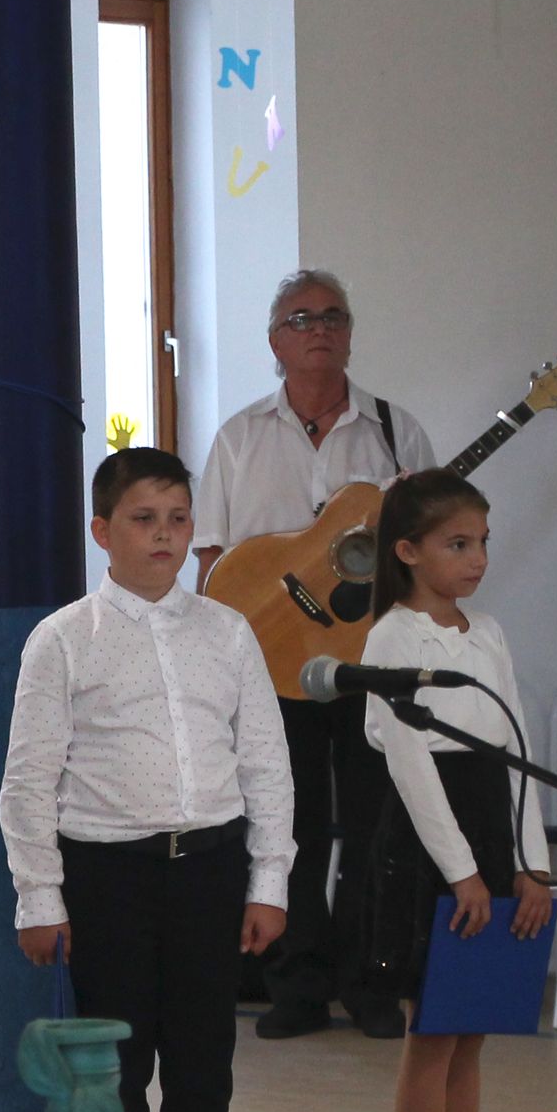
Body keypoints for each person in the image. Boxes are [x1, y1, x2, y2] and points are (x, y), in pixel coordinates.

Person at [1, 449, 293, 1112]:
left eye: (177, 519)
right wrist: (39, 897)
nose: (164, 535)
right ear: (102, 531)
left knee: (203, 1047)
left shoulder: (228, 632)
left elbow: (266, 764)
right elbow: (27, 781)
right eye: (143, 519)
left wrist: (269, 882)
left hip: (209, 866)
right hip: (107, 872)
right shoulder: (64, 638)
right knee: (114, 1052)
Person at [193, 268, 438, 1042]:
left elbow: (430, 553)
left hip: (368, 659)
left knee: (375, 825)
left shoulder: (396, 432)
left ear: (351, 335)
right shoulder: (238, 438)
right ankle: (296, 984)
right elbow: (213, 563)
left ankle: (369, 984)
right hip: (271, 665)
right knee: (285, 823)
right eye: (300, 319)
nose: (319, 329)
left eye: (333, 316)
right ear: (275, 342)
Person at [359, 473, 552, 1112]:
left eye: (482, 543)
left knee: (471, 1033)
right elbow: (410, 765)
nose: (477, 559)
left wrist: (530, 865)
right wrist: (462, 873)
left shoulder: (489, 633)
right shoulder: (394, 637)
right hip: (429, 842)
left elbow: (517, 749)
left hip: (491, 827)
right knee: (433, 1033)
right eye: (457, 543)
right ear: (408, 551)